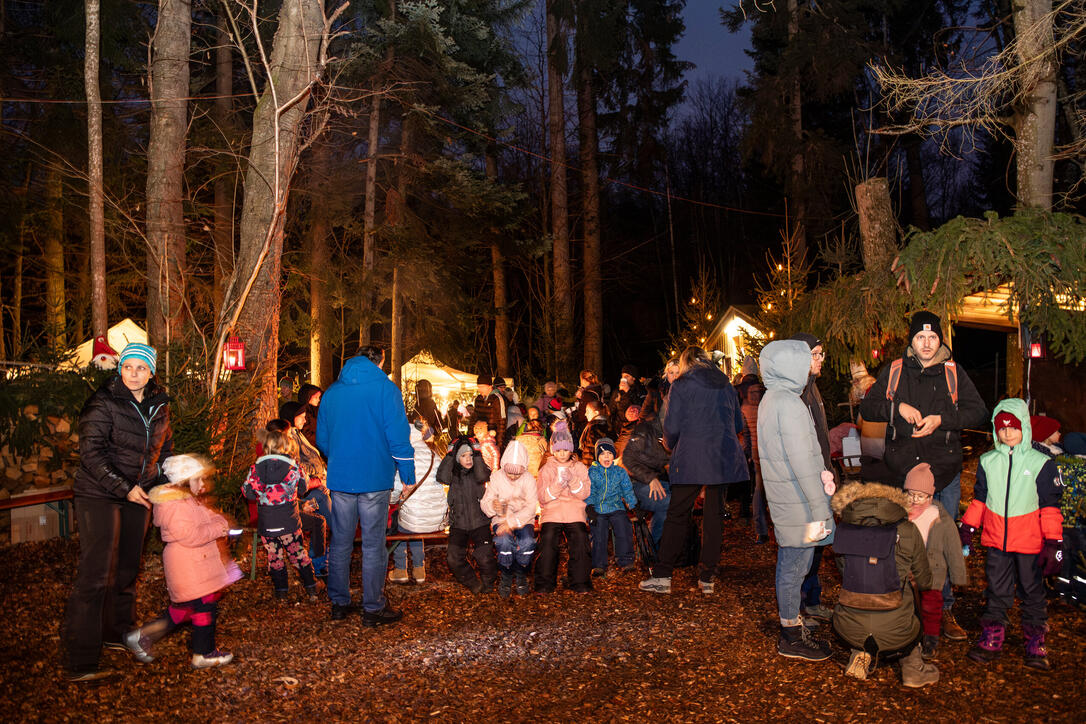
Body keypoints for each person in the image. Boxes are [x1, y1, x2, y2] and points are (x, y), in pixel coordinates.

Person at [860, 310, 987, 641]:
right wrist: (897, 409)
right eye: (920, 337)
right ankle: (904, 611)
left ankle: (943, 610)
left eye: (932, 337)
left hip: (943, 473)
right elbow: (868, 408)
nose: (927, 343)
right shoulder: (896, 371)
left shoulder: (952, 372)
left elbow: (979, 412)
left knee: (943, 543)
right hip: (903, 471)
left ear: (940, 340)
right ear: (912, 341)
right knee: (904, 542)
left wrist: (941, 420)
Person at [64, 342, 173, 682]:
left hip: (137, 495)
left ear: (151, 371)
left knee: (126, 568)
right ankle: (80, 660)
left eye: (141, 367)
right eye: (128, 367)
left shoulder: (159, 404)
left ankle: (117, 632)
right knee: (96, 574)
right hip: (99, 494)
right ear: (120, 369)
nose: (133, 373)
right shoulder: (103, 401)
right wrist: (125, 487)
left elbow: (162, 447)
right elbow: (91, 454)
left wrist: (166, 477)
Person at [959, 401, 1063, 670]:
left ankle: (1035, 639)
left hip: (1029, 541)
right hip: (997, 540)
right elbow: (980, 499)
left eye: (1013, 427)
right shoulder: (988, 461)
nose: (1007, 433)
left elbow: (1050, 506)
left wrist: (1054, 542)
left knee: (1032, 590)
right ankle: (993, 635)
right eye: (1001, 428)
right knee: (997, 589)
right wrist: (968, 528)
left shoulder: (1041, 463)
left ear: (1024, 427)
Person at [317, 345, 416, 625]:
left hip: (341, 478)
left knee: (340, 543)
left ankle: (339, 603)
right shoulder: (386, 389)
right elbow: (398, 435)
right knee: (373, 545)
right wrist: (407, 475)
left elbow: (322, 439)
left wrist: (339, 457)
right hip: (374, 477)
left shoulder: (332, 393)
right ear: (378, 362)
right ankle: (372, 608)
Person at [639, 347, 748, 596]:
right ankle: (707, 575)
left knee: (677, 514)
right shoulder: (726, 384)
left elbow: (672, 425)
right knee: (714, 516)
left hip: (692, 457)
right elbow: (738, 424)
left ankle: (664, 575)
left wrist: (668, 443)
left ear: (687, 363)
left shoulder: (682, 385)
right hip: (722, 456)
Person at [755, 339, 835, 661]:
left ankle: (793, 623)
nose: (809, 367)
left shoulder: (772, 399)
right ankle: (790, 634)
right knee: (795, 566)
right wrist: (820, 509)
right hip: (800, 503)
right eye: (805, 361)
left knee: (792, 565)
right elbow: (803, 461)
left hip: (789, 500)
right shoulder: (789, 403)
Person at [124, 454, 241, 669]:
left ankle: (142, 636)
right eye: (198, 480)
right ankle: (203, 653)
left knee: (183, 611)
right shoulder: (175, 505)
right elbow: (190, 534)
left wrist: (219, 522)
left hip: (195, 566)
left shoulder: (187, 501)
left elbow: (208, 517)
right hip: (190, 567)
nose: (202, 484)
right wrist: (217, 528)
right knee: (205, 608)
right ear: (184, 481)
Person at [830, 481, 942, 687]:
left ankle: (861, 651)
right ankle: (912, 667)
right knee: (910, 593)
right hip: (898, 629)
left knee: (860, 594)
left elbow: (844, 571)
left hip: (849, 628)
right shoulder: (908, 530)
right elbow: (925, 579)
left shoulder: (843, 530)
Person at [241, 427, 321, 602]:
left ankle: (281, 592)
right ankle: (311, 588)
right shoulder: (294, 468)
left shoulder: (255, 469)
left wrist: (263, 494)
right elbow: (303, 488)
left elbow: (247, 492)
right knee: (298, 554)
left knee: (274, 557)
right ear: (287, 447)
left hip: (267, 524)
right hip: (289, 522)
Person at [788, 333, 835, 621]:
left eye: (821, 354)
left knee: (816, 544)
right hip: (804, 483)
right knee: (803, 547)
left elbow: (820, 437)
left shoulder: (812, 388)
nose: (820, 360)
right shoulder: (795, 392)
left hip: (821, 477)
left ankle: (812, 600)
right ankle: (797, 608)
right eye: (815, 355)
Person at [903, 463, 967, 662]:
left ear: (930, 496)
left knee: (931, 606)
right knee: (906, 606)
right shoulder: (899, 514)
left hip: (932, 570)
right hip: (906, 570)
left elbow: (953, 547)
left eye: (920, 495)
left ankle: (930, 639)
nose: (914, 500)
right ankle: (907, 638)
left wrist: (958, 575)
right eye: (910, 494)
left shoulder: (938, 516)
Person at [535, 422, 593, 593]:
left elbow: (584, 493)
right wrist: (558, 485)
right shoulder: (546, 469)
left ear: (571, 450)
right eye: (558, 450)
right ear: (553, 450)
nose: (562, 454)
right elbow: (542, 497)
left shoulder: (580, 467)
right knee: (547, 541)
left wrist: (573, 481)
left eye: (565, 450)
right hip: (552, 512)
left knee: (580, 539)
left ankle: (580, 581)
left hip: (574, 511)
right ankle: (544, 583)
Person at [389, 415, 447, 584]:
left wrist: (392, 501)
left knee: (400, 526)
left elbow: (396, 488)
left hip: (416, 519)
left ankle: (401, 569)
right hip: (436, 518)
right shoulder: (434, 454)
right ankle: (419, 569)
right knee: (414, 522)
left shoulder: (404, 456)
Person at [438, 438, 498, 593]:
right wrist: (450, 454)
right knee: (453, 558)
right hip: (459, 523)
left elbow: (483, 476)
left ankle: (488, 583)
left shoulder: (477, 471)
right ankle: (473, 583)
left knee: (485, 556)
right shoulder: (453, 474)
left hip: (480, 521)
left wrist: (477, 453)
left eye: (470, 455)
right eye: (464, 456)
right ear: (458, 458)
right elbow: (442, 477)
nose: (468, 459)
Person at [279, 402, 330, 581]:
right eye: (301, 416)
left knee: (326, 502)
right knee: (323, 505)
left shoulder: (298, 435)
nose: (305, 419)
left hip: (306, 487)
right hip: (300, 493)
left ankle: (325, 557)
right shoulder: (290, 440)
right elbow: (299, 470)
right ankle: (321, 561)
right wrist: (319, 478)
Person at [481, 440, 538, 598]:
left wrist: (512, 523)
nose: (513, 476)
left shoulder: (528, 479)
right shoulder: (497, 478)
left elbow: (531, 506)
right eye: (509, 472)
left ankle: (521, 572)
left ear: (524, 469)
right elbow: (486, 502)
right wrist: (494, 507)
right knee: (503, 542)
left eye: (517, 473)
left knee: (527, 542)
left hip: (523, 519)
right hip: (501, 518)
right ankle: (506, 573)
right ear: (503, 466)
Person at [621, 404, 671, 547]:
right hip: (638, 484)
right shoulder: (642, 433)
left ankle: (665, 545)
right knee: (669, 503)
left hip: (663, 482)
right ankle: (655, 545)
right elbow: (628, 460)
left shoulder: (669, 436)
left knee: (678, 502)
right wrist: (650, 478)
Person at [587, 438, 638, 576]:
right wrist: (589, 506)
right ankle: (598, 564)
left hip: (616, 506)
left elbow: (627, 490)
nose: (607, 457)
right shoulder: (592, 472)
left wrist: (633, 505)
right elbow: (589, 491)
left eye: (609, 453)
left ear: (614, 455)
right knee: (599, 531)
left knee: (623, 526)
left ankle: (626, 560)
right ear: (597, 457)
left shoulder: (619, 472)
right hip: (598, 508)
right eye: (603, 454)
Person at [735, 366, 769, 543]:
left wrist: (747, 452)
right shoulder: (767, 404)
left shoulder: (745, 407)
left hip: (756, 453)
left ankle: (761, 530)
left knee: (758, 490)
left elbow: (745, 433)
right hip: (771, 452)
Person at [473, 374, 508, 448]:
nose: (479, 389)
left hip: (492, 440)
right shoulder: (478, 399)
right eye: (478, 387)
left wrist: (499, 443)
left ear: (489, 386)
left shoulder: (498, 399)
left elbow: (502, 422)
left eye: (482, 387)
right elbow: (474, 418)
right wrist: (470, 437)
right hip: (479, 439)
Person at [609, 365, 646, 432]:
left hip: (634, 430)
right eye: (622, 376)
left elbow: (641, 408)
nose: (624, 379)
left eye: (627, 376)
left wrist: (628, 391)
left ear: (633, 378)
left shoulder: (640, 391)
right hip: (619, 429)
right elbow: (611, 411)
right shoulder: (617, 392)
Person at [578, 400, 611, 466]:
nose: (585, 414)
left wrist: (587, 468)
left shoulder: (594, 428)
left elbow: (590, 453)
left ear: (596, 413)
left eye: (588, 411)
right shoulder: (607, 424)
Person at [297, 383, 322, 447]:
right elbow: (306, 434)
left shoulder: (317, 409)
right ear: (308, 397)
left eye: (319, 397)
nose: (318, 400)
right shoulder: (303, 413)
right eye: (315, 397)